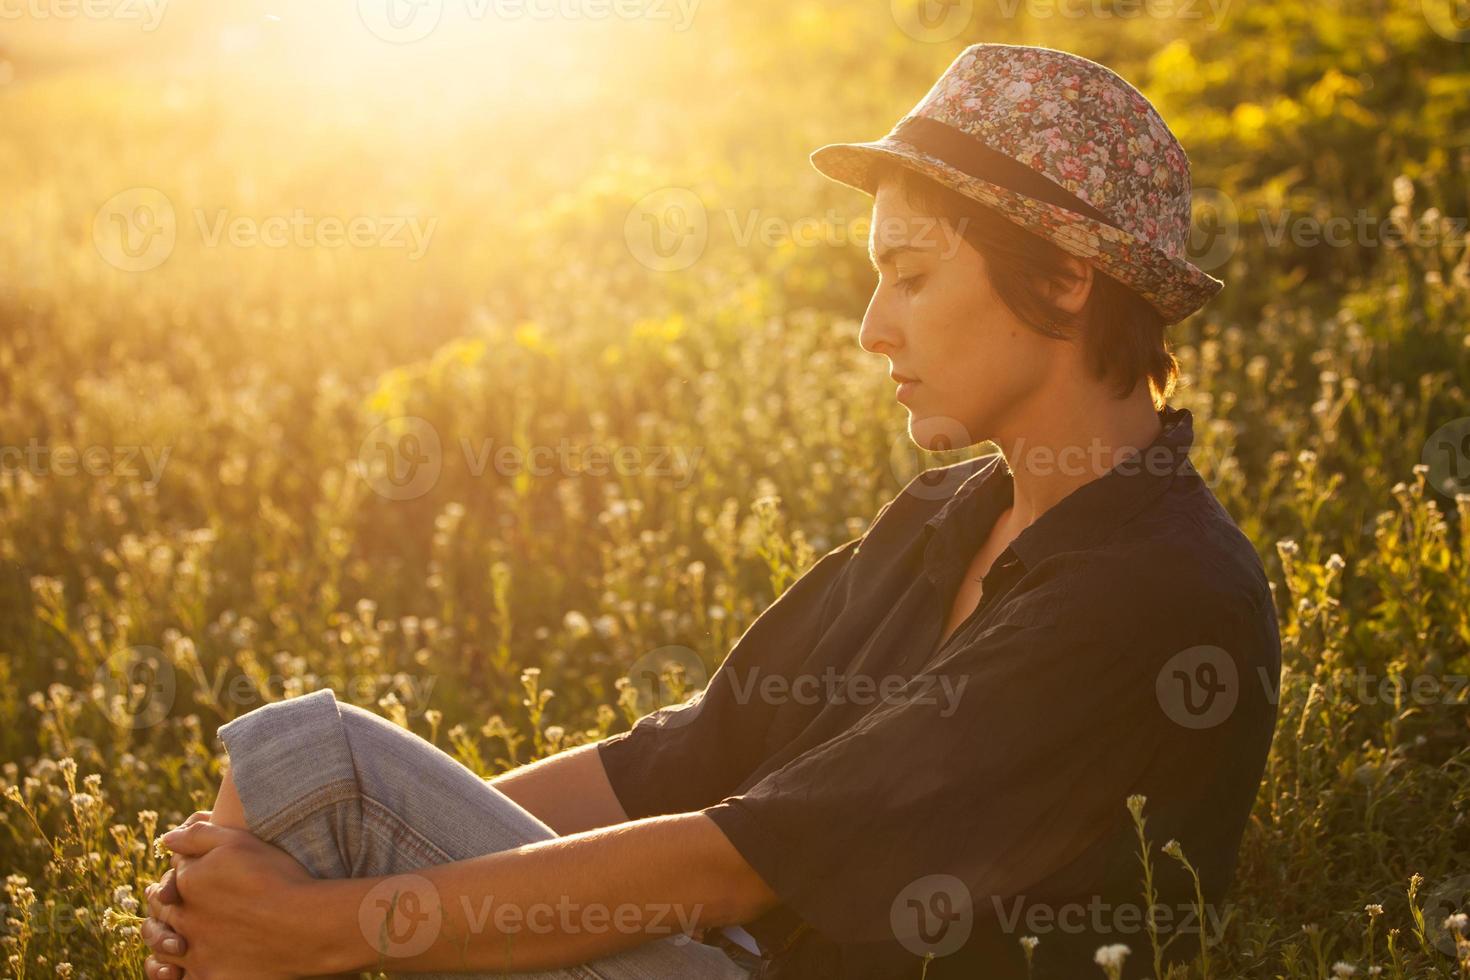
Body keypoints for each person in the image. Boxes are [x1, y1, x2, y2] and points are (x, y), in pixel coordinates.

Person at [140, 42, 1281, 979]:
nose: (873, 328)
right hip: (715, 954)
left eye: (915, 275)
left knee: (317, 817)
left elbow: (735, 861)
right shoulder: (946, 516)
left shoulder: (1155, 590)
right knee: (309, 773)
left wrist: (331, 923)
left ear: (1069, 275)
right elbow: (679, 757)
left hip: (740, 962)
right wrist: (359, 861)